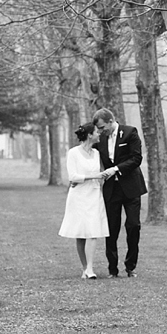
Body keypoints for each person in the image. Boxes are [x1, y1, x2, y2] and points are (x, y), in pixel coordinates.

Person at [92, 107, 147, 279]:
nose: (100, 131)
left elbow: (136, 158)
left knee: (133, 226)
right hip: (111, 190)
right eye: (98, 129)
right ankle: (112, 269)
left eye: (102, 127)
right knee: (111, 229)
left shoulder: (130, 132)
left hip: (131, 187)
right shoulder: (100, 138)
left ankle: (130, 266)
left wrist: (115, 169)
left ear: (110, 121)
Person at [58, 122, 116, 279]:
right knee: (81, 233)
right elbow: (72, 176)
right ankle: (85, 268)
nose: (99, 134)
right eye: (97, 132)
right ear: (90, 135)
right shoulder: (73, 153)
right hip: (79, 196)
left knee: (93, 231)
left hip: (94, 194)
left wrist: (103, 177)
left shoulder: (97, 154)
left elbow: (101, 172)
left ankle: (90, 268)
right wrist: (93, 176)